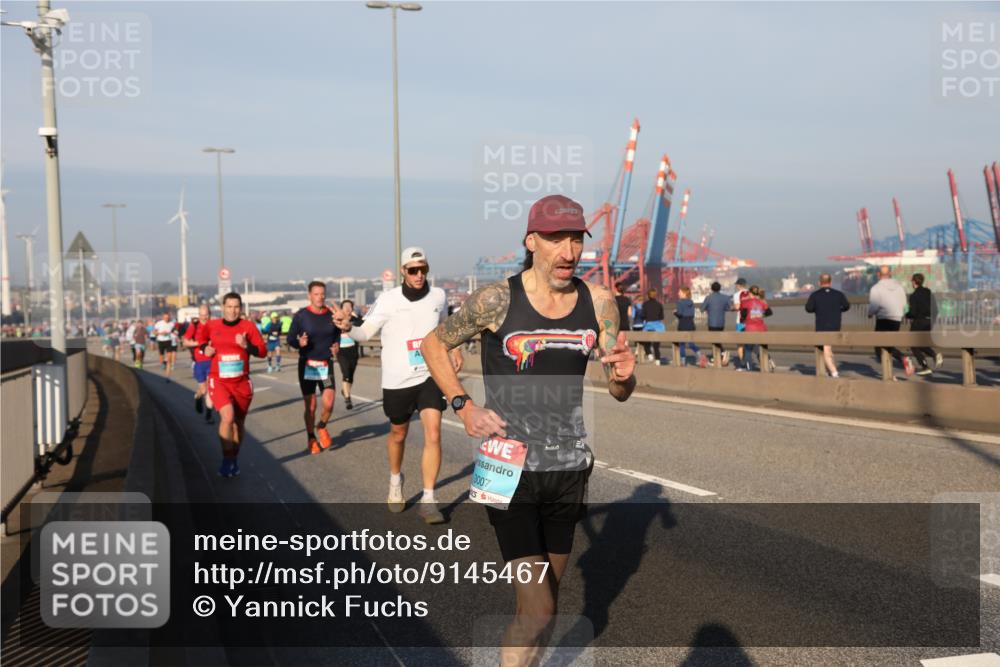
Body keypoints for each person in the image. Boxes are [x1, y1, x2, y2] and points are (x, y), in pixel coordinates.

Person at [419, 194, 637, 666]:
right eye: (557, 239)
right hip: (506, 468)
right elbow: (433, 344)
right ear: (532, 241)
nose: (569, 251)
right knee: (538, 608)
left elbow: (619, 390)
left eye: (576, 239)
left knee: (544, 605)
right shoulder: (496, 299)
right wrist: (462, 405)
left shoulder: (599, 302)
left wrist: (624, 377)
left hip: (568, 469)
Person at [334, 247, 461, 524]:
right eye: (413, 270)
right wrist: (347, 327)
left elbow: (445, 328)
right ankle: (395, 480)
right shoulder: (388, 299)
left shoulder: (438, 296)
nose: (419, 274)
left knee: (434, 433)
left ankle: (429, 499)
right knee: (398, 434)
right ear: (403, 271)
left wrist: (454, 348)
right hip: (397, 379)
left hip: (429, 375)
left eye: (423, 269)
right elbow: (364, 332)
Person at [195, 292, 267, 477]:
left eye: (236, 307)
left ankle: (233, 457)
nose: (233, 311)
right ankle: (227, 460)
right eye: (229, 307)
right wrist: (204, 348)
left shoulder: (248, 326)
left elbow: (262, 351)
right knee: (227, 417)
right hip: (218, 380)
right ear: (222, 307)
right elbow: (200, 339)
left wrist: (246, 346)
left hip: (241, 382)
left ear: (240, 308)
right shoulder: (212, 325)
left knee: (239, 423)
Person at [288, 282, 341, 455]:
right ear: (309, 296)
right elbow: (290, 339)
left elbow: (337, 334)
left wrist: (336, 345)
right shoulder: (301, 316)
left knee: (329, 403)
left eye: (322, 294)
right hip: (307, 364)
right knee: (311, 406)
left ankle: (322, 426)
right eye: (316, 294)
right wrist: (299, 343)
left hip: (325, 363)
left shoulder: (331, 314)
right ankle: (311, 437)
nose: (320, 297)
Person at [867, 265, 914, 377]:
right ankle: (892, 370)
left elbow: (874, 305)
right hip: (896, 319)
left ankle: (898, 363)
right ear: (890, 274)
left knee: (879, 346)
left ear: (878, 274)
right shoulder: (899, 287)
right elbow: (904, 304)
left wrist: (870, 314)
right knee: (889, 344)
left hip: (883, 319)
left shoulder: (876, 288)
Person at [805, 273, 851, 378]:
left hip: (821, 325)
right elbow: (847, 306)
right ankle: (828, 370)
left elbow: (808, 308)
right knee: (828, 348)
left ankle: (834, 372)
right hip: (835, 325)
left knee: (826, 349)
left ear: (819, 282)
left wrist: (818, 308)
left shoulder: (815, 295)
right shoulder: (838, 294)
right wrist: (839, 310)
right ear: (831, 282)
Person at [182, 303, 215, 424]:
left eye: (206, 315)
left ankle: (209, 415)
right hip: (199, 362)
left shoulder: (214, 325)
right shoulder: (194, 326)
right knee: (203, 389)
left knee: (211, 389)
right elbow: (185, 342)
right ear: (198, 314)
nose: (204, 318)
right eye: (201, 315)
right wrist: (199, 343)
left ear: (210, 314)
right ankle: (197, 397)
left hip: (212, 361)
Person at [906, 273, 942, 376]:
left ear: (914, 282)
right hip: (929, 322)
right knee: (921, 343)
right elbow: (935, 310)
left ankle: (925, 366)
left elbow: (913, 313)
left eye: (912, 281)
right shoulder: (929, 293)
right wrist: (932, 321)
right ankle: (934, 356)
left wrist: (906, 315)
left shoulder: (914, 296)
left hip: (919, 322)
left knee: (913, 344)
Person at [336, 300, 364, 410]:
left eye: (349, 306)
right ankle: (348, 399)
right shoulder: (336, 320)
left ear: (352, 309)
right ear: (341, 308)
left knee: (350, 376)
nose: (347, 308)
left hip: (353, 351)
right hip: (341, 351)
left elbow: (363, 326)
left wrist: (353, 321)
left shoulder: (356, 320)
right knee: (346, 373)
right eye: (345, 306)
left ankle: (345, 390)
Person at [739, 285, 772, 371]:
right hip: (761, 328)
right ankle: (767, 362)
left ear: (750, 293)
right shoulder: (762, 302)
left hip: (750, 328)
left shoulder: (746, 302)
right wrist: (759, 315)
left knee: (748, 349)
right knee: (761, 348)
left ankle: (749, 368)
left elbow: (743, 315)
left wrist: (744, 320)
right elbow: (769, 312)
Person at [674, 286, 706, 367]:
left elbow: (680, 314)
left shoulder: (680, 302)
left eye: (679, 292)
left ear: (684, 293)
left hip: (682, 324)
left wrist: (675, 312)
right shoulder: (691, 302)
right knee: (691, 343)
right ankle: (700, 355)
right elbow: (692, 314)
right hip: (691, 324)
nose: (678, 293)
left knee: (682, 344)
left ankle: (683, 361)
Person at [700, 281, 731, 366]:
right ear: (720, 288)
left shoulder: (708, 298)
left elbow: (702, 309)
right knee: (718, 339)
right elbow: (729, 308)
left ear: (712, 288)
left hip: (712, 322)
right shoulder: (725, 297)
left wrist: (709, 309)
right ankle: (718, 356)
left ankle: (721, 354)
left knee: (714, 340)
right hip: (721, 322)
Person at [640, 289, 664, 364]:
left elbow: (642, 315)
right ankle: (658, 360)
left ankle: (650, 355)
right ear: (655, 295)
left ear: (648, 295)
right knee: (656, 346)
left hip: (648, 326)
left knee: (646, 343)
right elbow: (661, 317)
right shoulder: (659, 304)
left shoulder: (645, 304)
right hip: (658, 327)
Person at [153, 312, 177, 376]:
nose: (167, 319)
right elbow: (154, 332)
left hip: (168, 341)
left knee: (169, 358)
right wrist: (161, 333)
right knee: (161, 357)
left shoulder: (172, 323)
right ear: (163, 317)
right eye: (165, 318)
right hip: (160, 341)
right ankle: (163, 363)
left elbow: (174, 331)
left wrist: (175, 333)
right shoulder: (159, 323)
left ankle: (167, 375)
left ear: (169, 317)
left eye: (168, 318)